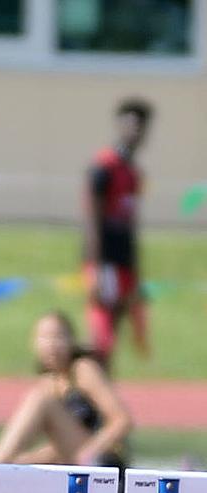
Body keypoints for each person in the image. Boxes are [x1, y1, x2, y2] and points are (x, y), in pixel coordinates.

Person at [0, 312, 132, 468]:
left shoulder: (82, 370)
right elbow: (59, 448)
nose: (51, 344)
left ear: (71, 341)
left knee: (40, 399)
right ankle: (0, 461)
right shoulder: (49, 382)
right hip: (76, 461)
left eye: (58, 337)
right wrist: (23, 461)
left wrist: (89, 451)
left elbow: (121, 421)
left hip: (104, 463)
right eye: (44, 338)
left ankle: (0, 459)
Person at [83, 99, 153, 367]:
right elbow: (93, 218)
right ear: (120, 125)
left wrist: (136, 271)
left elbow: (130, 222)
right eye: (132, 124)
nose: (137, 131)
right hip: (106, 261)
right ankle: (90, 395)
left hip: (124, 261)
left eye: (142, 126)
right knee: (102, 335)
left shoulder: (134, 172)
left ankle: (103, 390)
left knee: (117, 332)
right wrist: (97, 267)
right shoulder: (104, 167)